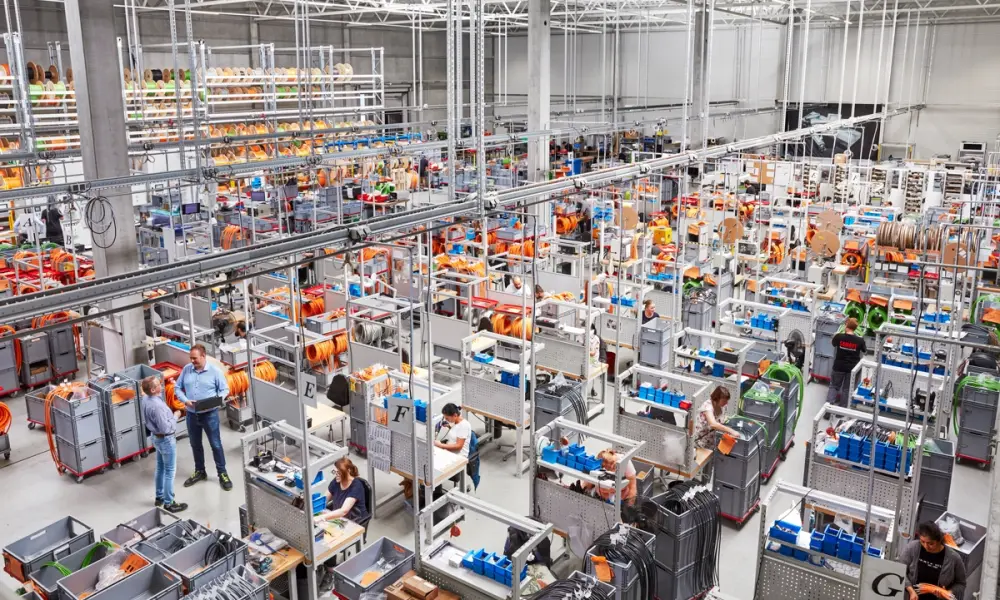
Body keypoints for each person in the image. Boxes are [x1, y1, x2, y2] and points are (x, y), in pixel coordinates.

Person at [175, 344, 232, 490]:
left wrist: (215, 401)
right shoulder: (187, 369)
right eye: (191, 358)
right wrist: (185, 400)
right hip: (192, 415)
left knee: (216, 444)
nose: (192, 361)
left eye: (195, 358)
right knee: (195, 444)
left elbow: (224, 389)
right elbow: (177, 388)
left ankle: (222, 473)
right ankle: (200, 471)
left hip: (209, 414)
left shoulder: (215, 371)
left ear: (203, 356)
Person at [140, 376, 187, 513]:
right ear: (153, 389)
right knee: (170, 471)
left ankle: (159, 497)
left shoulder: (145, 399)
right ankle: (169, 502)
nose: (161, 385)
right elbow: (165, 428)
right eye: (159, 384)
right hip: (166, 439)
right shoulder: (158, 406)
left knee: (160, 467)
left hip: (156, 438)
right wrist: (176, 415)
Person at [900, 521, 966, 600]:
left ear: (939, 540)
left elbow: (961, 583)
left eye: (931, 543)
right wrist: (911, 591)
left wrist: (948, 592)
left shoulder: (954, 558)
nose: (926, 546)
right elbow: (900, 571)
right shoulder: (912, 548)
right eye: (922, 542)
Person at [828, 317, 867, 408]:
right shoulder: (860, 340)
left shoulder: (839, 337)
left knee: (834, 386)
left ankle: (828, 408)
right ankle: (841, 411)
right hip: (852, 369)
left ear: (846, 325)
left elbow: (832, 343)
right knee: (847, 389)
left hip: (838, 367)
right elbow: (865, 351)